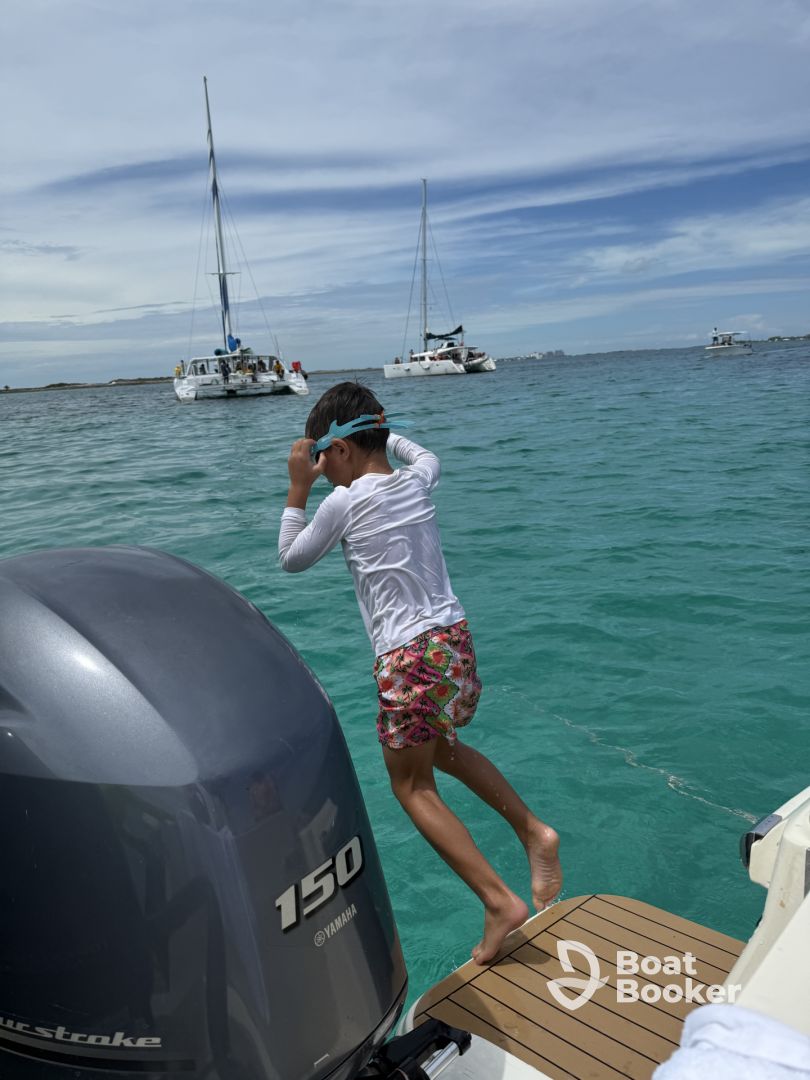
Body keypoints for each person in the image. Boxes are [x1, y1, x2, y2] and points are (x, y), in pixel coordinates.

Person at [278, 382, 562, 964]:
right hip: (454, 643)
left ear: (343, 449)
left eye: (323, 457)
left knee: (410, 785)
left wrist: (298, 488)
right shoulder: (417, 479)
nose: (321, 469)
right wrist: (380, 431)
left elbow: (291, 557)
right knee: (443, 752)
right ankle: (534, 832)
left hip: (407, 655)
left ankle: (499, 901)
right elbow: (424, 454)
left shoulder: (343, 501)